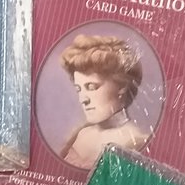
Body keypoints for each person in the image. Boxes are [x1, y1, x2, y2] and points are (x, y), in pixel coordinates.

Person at [58, 34, 150, 169]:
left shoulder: (136, 142)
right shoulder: (82, 134)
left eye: (91, 87)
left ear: (122, 86)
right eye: (79, 89)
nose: (83, 99)